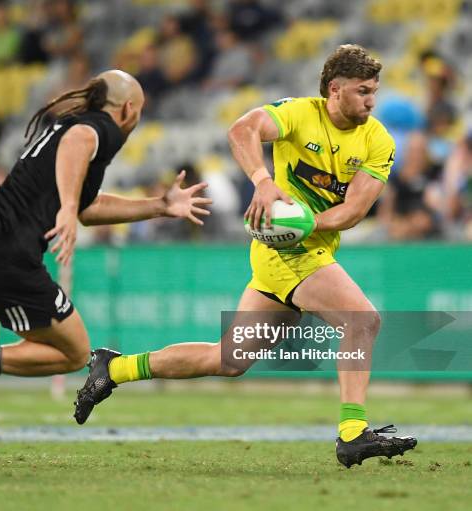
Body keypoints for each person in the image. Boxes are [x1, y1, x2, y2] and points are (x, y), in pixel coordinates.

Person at [74, 46, 417, 468]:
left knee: (228, 359)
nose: (370, 100)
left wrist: (306, 223)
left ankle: (115, 368)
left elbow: (354, 211)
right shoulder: (298, 114)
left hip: (308, 245)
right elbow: (241, 130)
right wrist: (262, 181)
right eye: (362, 91)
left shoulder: (377, 138)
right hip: (283, 253)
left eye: (374, 92)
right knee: (362, 320)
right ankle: (352, 433)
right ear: (335, 89)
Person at [0, 70, 212, 475]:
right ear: (128, 109)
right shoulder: (97, 129)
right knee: (74, 352)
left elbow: (87, 208)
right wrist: (66, 207)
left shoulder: (70, 125)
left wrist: (157, 205)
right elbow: (77, 149)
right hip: (5, 252)